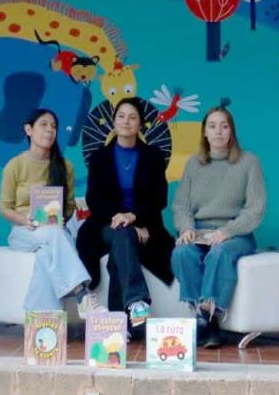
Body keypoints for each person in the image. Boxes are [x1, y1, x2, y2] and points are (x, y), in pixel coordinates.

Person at [170, 104, 266, 348]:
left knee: (219, 252)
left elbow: (255, 209)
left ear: (231, 131)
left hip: (235, 233)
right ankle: (202, 316)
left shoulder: (249, 162)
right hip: (199, 230)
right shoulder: (194, 164)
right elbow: (181, 204)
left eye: (224, 126)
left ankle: (209, 316)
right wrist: (186, 228)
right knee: (182, 252)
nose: (218, 132)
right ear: (204, 132)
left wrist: (226, 232)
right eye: (212, 126)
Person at [77, 97, 175, 328]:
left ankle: (121, 324)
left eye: (132, 117)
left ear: (140, 124)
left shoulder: (153, 156)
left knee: (120, 247)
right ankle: (137, 299)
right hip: (104, 225)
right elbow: (94, 199)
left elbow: (159, 198)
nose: (126, 121)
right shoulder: (100, 157)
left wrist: (133, 218)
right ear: (113, 121)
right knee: (122, 232)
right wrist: (119, 217)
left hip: (144, 225)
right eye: (121, 116)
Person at [0, 109, 103, 316]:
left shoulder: (65, 167)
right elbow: (4, 207)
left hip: (53, 231)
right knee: (55, 235)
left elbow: (70, 206)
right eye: (44, 125)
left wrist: (57, 214)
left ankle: (45, 323)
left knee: (47, 252)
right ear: (28, 129)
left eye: (54, 126)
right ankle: (82, 295)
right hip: (23, 231)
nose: (49, 130)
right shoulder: (15, 165)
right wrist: (25, 219)